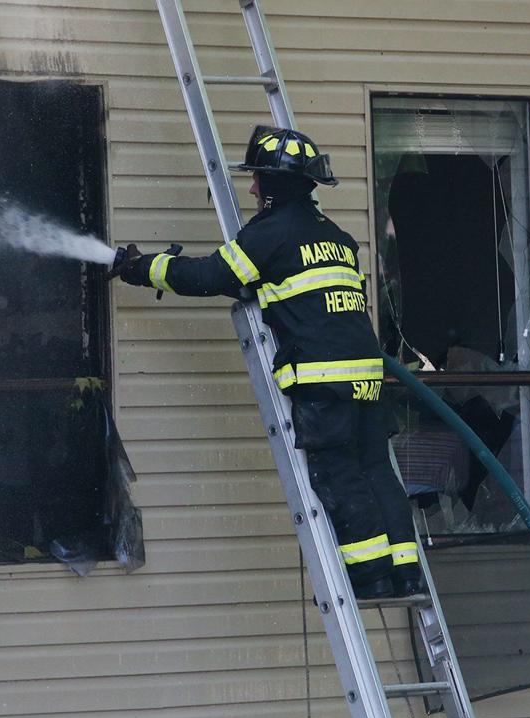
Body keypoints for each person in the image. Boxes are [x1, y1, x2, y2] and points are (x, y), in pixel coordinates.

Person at [112, 126, 422, 598]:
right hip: (366, 376)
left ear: (276, 185)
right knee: (376, 469)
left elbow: (209, 275)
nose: (253, 189)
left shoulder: (271, 234)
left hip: (323, 382)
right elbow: (287, 288)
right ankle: (404, 570)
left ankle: (371, 576)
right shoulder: (334, 237)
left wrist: (140, 268)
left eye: (258, 179)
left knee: (339, 476)